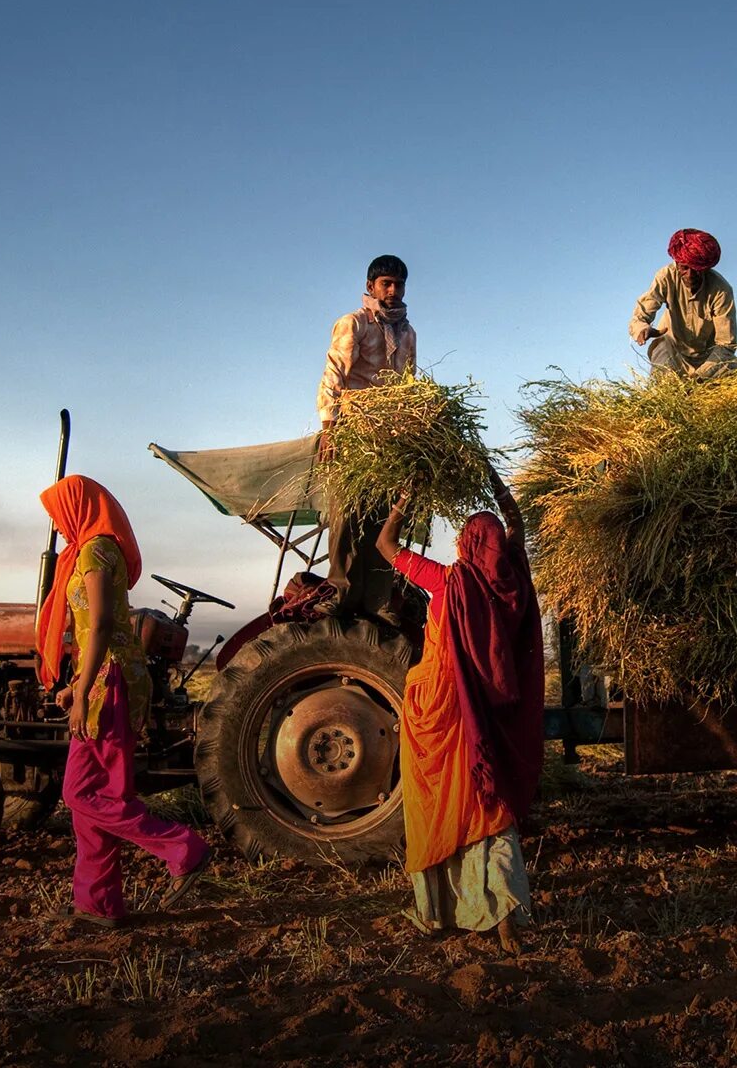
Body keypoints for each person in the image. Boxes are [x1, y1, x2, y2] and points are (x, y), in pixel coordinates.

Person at [374, 472, 544, 953]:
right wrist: (496, 484)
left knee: (439, 801)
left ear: (468, 545)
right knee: (489, 802)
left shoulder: (448, 580)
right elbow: (515, 527)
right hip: (485, 711)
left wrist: (406, 496)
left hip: (441, 708)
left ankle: (443, 909)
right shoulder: (513, 578)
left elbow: (386, 545)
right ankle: (506, 912)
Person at [37, 475, 209, 929]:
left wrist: (83, 690)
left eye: (57, 513)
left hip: (109, 683)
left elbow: (101, 625)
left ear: (77, 507)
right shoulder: (93, 549)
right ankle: (98, 904)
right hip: (103, 678)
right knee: (99, 798)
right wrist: (76, 683)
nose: (55, 525)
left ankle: (181, 847)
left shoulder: (95, 550)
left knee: (78, 792)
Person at [317, 254, 418, 616]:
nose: (392, 290)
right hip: (353, 431)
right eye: (385, 284)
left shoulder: (407, 332)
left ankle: (377, 600)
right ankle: (339, 594)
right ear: (370, 287)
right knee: (346, 514)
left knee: (382, 517)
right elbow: (333, 375)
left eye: (399, 284)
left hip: (388, 439)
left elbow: (409, 387)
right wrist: (329, 428)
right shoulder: (354, 323)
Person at [630, 229, 737, 379]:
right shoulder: (666, 277)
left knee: (730, 364)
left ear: (705, 268)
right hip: (673, 352)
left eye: (695, 269)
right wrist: (642, 328)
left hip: (709, 359)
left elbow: (726, 344)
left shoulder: (721, 290)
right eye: (684, 268)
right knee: (661, 347)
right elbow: (641, 315)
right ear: (677, 264)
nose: (690, 275)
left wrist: (699, 377)